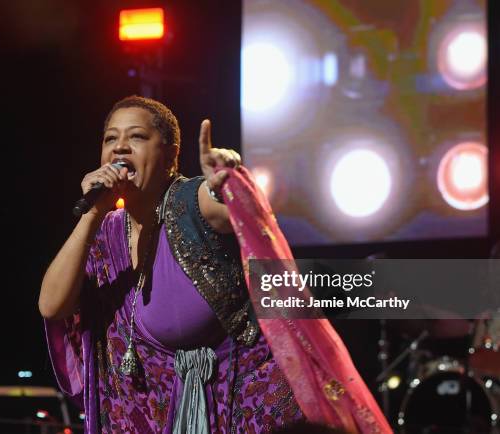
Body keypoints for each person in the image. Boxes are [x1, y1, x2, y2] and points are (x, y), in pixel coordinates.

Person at [39, 96, 391, 433]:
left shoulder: (189, 201)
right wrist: (93, 214)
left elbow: (223, 208)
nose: (120, 147)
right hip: (164, 410)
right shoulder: (108, 231)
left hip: (250, 398)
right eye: (110, 139)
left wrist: (226, 184)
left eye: (137, 137)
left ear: (170, 156)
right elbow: (52, 305)